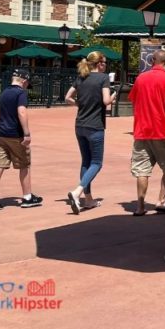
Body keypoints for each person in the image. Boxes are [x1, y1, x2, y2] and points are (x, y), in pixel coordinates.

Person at [0, 67, 42, 211]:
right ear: (24, 81)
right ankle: (27, 197)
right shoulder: (20, 93)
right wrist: (27, 133)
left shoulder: (5, 92)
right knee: (24, 165)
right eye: (27, 84)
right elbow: (21, 112)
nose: (27, 87)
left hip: (0, 134)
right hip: (15, 135)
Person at [128, 49, 165, 216]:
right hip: (162, 130)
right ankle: (162, 200)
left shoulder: (140, 78)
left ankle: (140, 206)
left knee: (142, 170)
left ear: (151, 61)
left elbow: (134, 101)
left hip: (141, 130)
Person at [64, 52, 113, 214]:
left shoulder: (81, 77)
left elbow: (67, 97)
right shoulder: (103, 78)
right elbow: (106, 101)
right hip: (95, 125)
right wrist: (114, 95)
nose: (105, 65)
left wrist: (79, 104)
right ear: (99, 63)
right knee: (97, 163)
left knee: (86, 161)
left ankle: (89, 199)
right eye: (104, 62)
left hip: (80, 125)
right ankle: (77, 192)